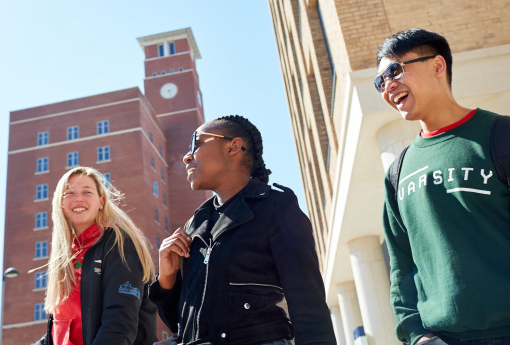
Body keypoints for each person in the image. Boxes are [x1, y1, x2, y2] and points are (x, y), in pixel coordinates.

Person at [148, 115, 337, 345]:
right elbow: (182, 323)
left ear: (233, 147)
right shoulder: (194, 225)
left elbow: (308, 304)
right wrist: (167, 277)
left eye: (196, 144)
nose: (187, 156)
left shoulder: (275, 207)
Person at [377, 28, 510, 345]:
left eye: (395, 70)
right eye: (380, 82)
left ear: (438, 66)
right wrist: (417, 335)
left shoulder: (501, 135)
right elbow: (401, 267)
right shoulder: (397, 172)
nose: (388, 87)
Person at [34, 166, 157, 345]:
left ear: (101, 201)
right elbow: (59, 331)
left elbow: (119, 324)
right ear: (60, 203)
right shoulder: (66, 254)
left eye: (87, 192)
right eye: (69, 193)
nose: (78, 199)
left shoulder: (118, 244)